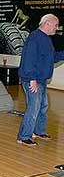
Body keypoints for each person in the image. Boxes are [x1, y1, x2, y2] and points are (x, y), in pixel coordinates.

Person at [17, 14, 64, 147]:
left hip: (41, 80)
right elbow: (29, 60)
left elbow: (52, 57)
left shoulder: (46, 39)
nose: (57, 28)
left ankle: (38, 131)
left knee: (43, 107)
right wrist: (32, 79)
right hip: (33, 80)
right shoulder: (35, 38)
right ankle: (24, 136)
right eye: (56, 25)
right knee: (34, 108)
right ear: (47, 23)